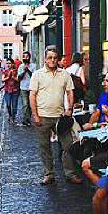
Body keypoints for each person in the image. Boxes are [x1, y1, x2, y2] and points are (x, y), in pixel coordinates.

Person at [29, 48, 74, 185]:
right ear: (45, 59)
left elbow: (70, 92)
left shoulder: (65, 74)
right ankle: (49, 174)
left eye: (55, 57)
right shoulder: (37, 74)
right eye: (49, 58)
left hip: (60, 117)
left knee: (68, 145)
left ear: (58, 59)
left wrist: (69, 109)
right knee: (45, 146)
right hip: (43, 116)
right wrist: (35, 114)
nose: (52, 60)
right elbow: (32, 95)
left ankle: (70, 173)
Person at [17, 51, 34, 126]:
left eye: (27, 56)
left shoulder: (33, 66)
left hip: (31, 87)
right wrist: (24, 71)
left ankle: (28, 118)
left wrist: (28, 71)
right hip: (23, 87)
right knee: (25, 104)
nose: (25, 58)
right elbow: (19, 78)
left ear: (29, 57)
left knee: (30, 105)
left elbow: (34, 77)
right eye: (24, 57)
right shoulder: (21, 66)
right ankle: (25, 119)